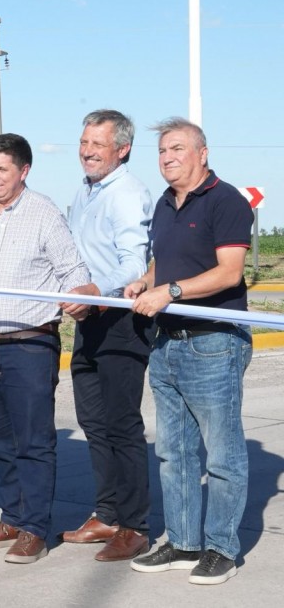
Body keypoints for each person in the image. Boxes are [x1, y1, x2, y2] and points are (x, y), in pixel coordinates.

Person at [126, 118, 253, 586]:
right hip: (167, 343)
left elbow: (229, 272)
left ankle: (221, 548)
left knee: (222, 456)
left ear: (203, 153)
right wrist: (146, 281)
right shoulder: (165, 203)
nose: (167, 158)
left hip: (213, 343)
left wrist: (171, 291)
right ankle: (182, 542)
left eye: (177, 148)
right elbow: (165, 259)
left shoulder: (226, 200)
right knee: (174, 453)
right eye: (162, 151)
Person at [0, 134, 90, 564]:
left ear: (24, 171)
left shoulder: (44, 214)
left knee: (34, 442)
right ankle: (12, 517)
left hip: (30, 345)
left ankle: (35, 528)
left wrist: (81, 297)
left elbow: (73, 271)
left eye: (2, 169)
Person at [59, 109, 156, 561]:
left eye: (97, 144)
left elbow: (134, 263)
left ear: (123, 149)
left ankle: (135, 526)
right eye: (84, 142)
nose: (87, 151)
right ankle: (108, 514)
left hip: (121, 319)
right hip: (89, 319)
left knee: (121, 425)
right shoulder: (85, 191)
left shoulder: (127, 194)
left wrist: (97, 290)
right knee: (94, 424)